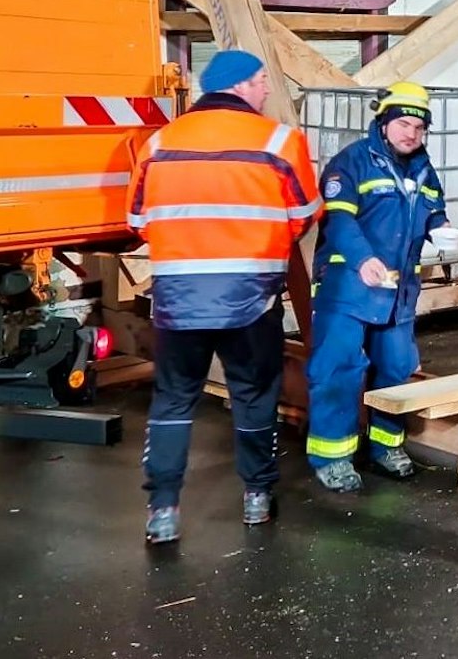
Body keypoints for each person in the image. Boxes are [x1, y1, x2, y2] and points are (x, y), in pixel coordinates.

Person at [125, 50, 319, 544]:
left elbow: (139, 223)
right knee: (254, 396)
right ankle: (256, 498)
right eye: (261, 82)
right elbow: (304, 214)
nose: (266, 91)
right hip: (250, 298)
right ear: (242, 85)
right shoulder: (279, 141)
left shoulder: (159, 143)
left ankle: (163, 511)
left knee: (173, 401)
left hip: (178, 298)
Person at [306, 81, 451, 493]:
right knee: (338, 371)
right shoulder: (350, 163)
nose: (412, 133)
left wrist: (439, 228)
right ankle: (332, 456)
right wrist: (362, 258)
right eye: (404, 123)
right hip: (348, 290)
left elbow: (431, 209)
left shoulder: (423, 169)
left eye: (419, 128)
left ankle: (386, 446)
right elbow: (340, 219)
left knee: (395, 369)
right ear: (383, 122)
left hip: (398, 293)